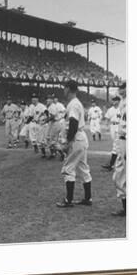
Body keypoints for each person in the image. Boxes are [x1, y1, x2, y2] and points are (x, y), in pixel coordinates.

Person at [56, 80, 93, 208]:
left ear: (68, 89)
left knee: (68, 168)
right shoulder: (76, 103)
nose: (63, 90)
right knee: (83, 168)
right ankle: (88, 198)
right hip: (81, 138)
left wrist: (68, 142)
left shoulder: (73, 104)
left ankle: (68, 200)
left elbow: (73, 123)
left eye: (64, 88)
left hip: (76, 138)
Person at [112, 83, 127, 216]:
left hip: (127, 140)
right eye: (120, 88)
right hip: (121, 139)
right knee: (119, 174)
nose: (121, 90)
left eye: (123, 88)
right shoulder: (123, 101)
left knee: (122, 174)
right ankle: (126, 208)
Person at [102, 96, 122, 170]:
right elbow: (107, 118)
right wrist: (106, 126)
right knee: (116, 145)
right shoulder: (110, 109)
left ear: (118, 101)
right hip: (112, 126)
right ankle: (115, 164)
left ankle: (111, 165)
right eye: (113, 101)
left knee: (116, 146)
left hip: (119, 126)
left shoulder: (122, 108)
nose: (113, 102)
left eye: (115, 101)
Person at [47, 94, 66, 160]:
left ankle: (62, 153)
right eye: (48, 98)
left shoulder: (52, 106)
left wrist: (46, 120)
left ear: (52, 100)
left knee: (53, 141)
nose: (48, 100)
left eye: (50, 99)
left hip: (55, 123)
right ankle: (53, 153)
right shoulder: (51, 106)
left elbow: (52, 116)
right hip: (55, 123)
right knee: (51, 140)